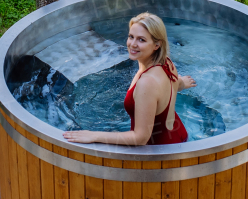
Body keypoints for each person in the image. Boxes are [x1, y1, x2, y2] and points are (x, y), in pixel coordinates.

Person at [64, 12, 195, 145]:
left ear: (157, 45)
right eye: (131, 37)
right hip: (179, 137)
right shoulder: (167, 63)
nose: (132, 44)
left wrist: (94, 135)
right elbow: (169, 86)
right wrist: (182, 83)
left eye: (141, 40)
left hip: (159, 152)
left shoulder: (147, 83)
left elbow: (140, 138)